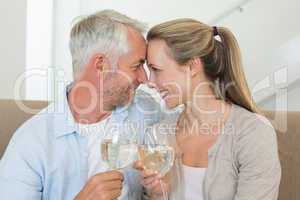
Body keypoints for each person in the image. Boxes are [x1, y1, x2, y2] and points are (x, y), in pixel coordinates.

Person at [0, 10, 161, 200]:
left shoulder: (147, 111)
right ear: (101, 65)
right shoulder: (32, 141)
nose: (144, 78)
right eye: (136, 66)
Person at [135, 19, 281, 200]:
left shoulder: (253, 133)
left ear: (191, 66)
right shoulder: (158, 135)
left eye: (156, 69)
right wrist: (157, 194)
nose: (149, 82)